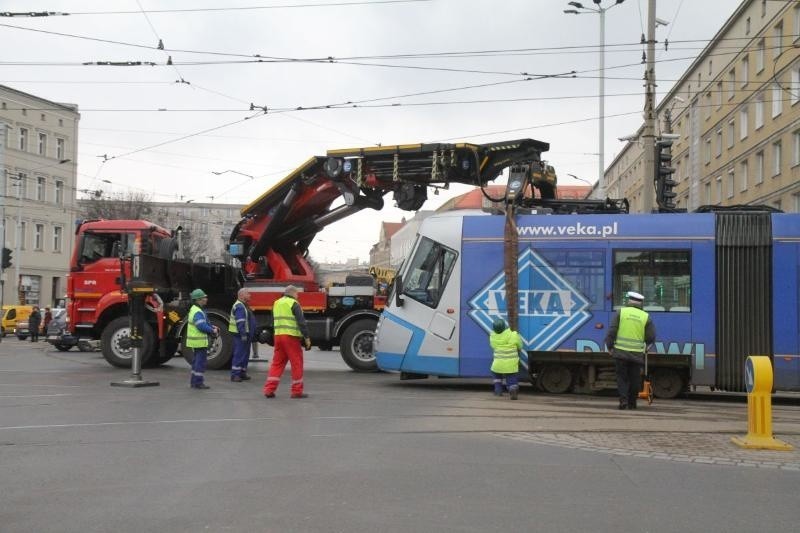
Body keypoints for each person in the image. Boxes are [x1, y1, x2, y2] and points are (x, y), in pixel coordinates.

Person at [605, 291, 656, 410]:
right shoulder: (645, 316)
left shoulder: (621, 313)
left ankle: (623, 401)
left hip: (620, 353)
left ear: (629, 301)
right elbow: (651, 337)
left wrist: (610, 346)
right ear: (641, 303)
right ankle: (632, 403)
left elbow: (612, 331)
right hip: (636, 354)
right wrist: (647, 345)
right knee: (635, 379)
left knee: (622, 378)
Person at [263, 285, 311, 399]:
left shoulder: (277, 303)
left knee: (277, 363)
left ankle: (269, 390)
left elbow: (272, 321)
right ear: (293, 293)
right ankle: (297, 391)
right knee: (297, 363)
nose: (298, 296)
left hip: (278, 336)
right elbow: (301, 322)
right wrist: (307, 337)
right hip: (291, 337)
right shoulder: (294, 303)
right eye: (297, 294)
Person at [186, 289, 219, 390]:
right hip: (199, 342)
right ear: (198, 299)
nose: (206, 299)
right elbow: (201, 326)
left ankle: (193, 382)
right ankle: (198, 383)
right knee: (200, 362)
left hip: (196, 342)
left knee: (196, 362)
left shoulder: (196, 309)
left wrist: (212, 326)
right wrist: (212, 331)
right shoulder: (198, 311)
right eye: (204, 297)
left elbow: (203, 323)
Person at [489, 318, 524, 400]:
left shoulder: (492, 337)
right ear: (505, 326)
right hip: (511, 363)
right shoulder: (513, 335)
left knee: (496, 373)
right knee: (511, 376)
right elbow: (520, 346)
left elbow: (493, 346)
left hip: (498, 364)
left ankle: (498, 390)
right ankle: (512, 389)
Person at [229, 288, 257, 382]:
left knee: (245, 354)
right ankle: (235, 375)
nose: (250, 295)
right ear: (242, 295)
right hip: (240, 335)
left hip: (245, 335)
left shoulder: (244, 305)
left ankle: (242, 372)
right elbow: (240, 322)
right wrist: (243, 334)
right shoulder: (240, 306)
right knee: (239, 354)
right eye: (248, 294)